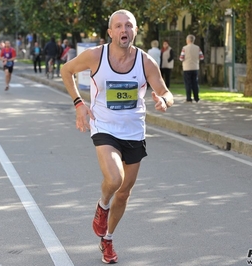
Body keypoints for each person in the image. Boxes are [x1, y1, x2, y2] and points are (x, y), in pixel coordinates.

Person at [61, 9, 174, 264]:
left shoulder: (145, 62)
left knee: (123, 193)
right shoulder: (95, 56)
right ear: (110, 32)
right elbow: (66, 71)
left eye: (129, 26)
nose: (124, 30)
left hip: (134, 132)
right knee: (114, 178)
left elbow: (166, 92)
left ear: (135, 30)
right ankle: (102, 205)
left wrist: (164, 101)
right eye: (119, 26)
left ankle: (108, 239)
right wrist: (79, 104)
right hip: (104, 127)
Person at [179, 34, 204, 103]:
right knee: (195, 83)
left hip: (187, 67)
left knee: (188, 83)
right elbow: (201, 57)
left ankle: (189, 98)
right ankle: (196, 98)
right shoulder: (197, 48)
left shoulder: (184, 48)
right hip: (195, 67)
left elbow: (181, 58)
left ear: (188, 40)